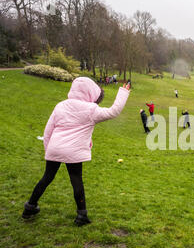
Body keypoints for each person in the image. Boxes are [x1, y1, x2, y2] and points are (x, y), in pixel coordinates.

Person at [22, 78, 131, 226]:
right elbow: (114, 111)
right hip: (73, 151)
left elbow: (48, 131)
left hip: (55, 147)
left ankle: (29, 207)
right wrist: (123, 92)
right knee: (76, 180)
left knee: (47, 177)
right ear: (90, 92)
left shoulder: (60, 106)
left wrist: (48, 150)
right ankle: (81, 216)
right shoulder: (91, 110)